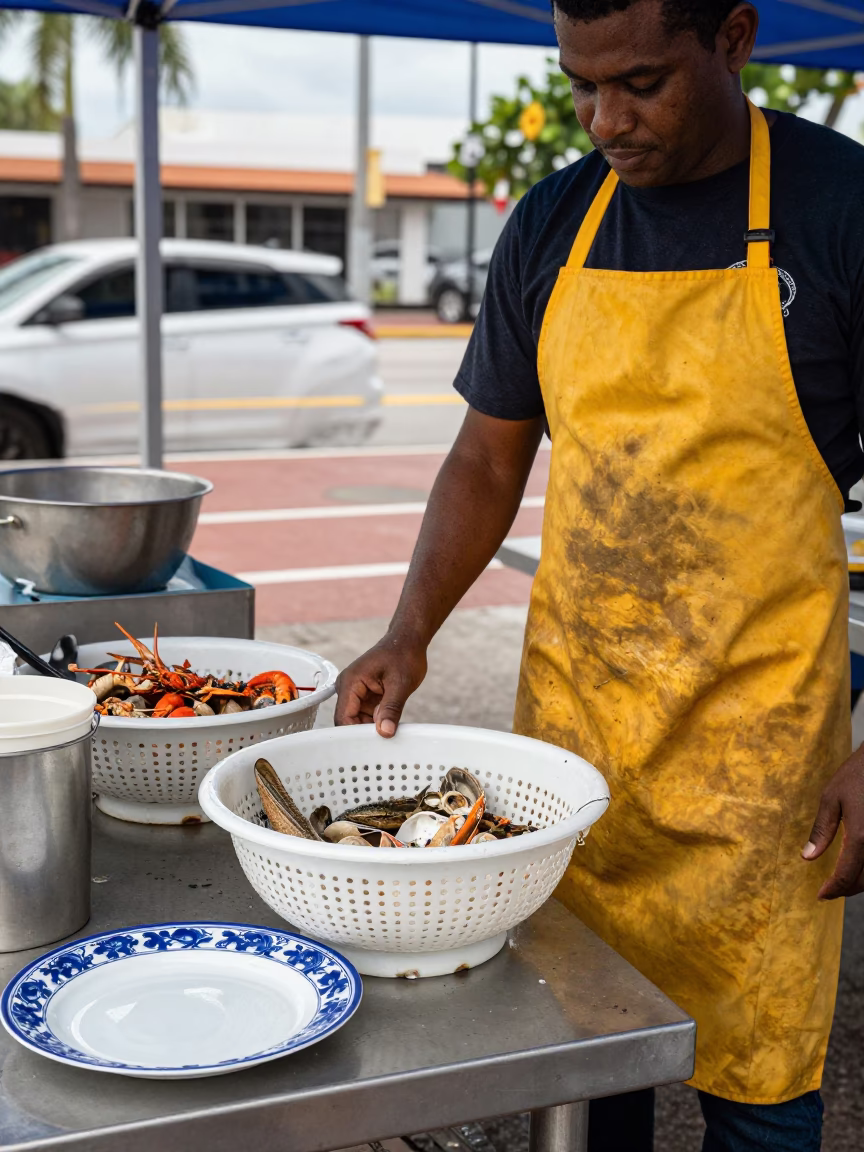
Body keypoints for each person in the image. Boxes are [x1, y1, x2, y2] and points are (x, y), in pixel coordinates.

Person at [335, 2, 864, 1148]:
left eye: (641, 82)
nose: (605, 119)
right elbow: (486, 453)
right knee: (582, 1056)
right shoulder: (554, 220)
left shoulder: (841, 211)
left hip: (761, 746)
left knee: (761, 1077)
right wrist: (408, 629)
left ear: (733, 39)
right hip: (581, 736)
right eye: (580, 85)